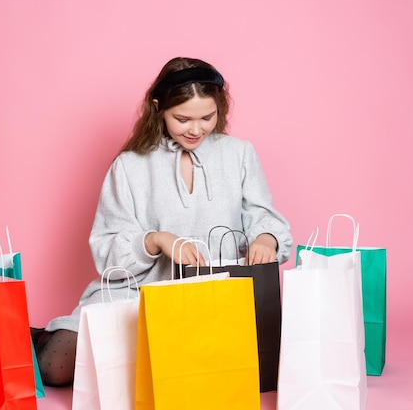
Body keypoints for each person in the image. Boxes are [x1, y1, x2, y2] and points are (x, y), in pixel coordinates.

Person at [31, 56, 293, 386]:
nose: (196, 129)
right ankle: (38, 336)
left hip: (215, 301)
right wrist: (154, 240)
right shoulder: (129, 165)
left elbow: (264, 218)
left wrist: (266, 239)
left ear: (220, 108)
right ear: (158, 108)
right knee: (56, 367)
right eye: (182, 119)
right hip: (138, 294)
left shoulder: (239, 154)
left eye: (207, 117)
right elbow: (106, 250)